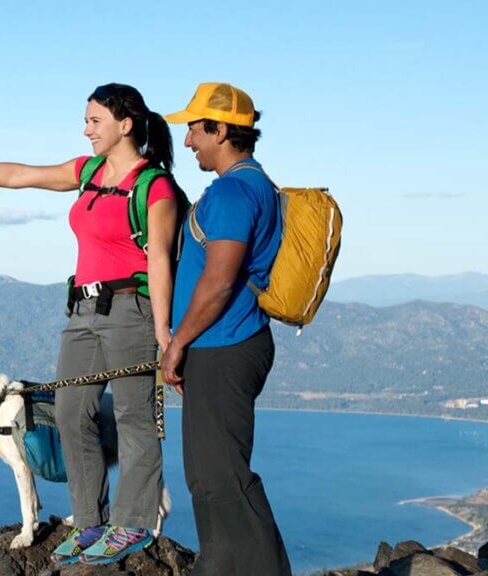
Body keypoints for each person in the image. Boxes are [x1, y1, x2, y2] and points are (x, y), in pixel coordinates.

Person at [0, 83, 181, 566]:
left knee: (134, 416)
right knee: (72, 411)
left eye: (94, 121)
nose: (86, 129)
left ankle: (133, 524)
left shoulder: (153, 185)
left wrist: (164, 333)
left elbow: (159, 259)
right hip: (81, 311)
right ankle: (89, 520)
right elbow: (19, 175)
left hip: (130, 309)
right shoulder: (89, 171)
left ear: (125, 124)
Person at [160, 82, 292, 576]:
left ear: (219, 130)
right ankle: (216, 566)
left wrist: (176, 344)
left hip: (225, 346)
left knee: (226, 476)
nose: (189, 140)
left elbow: (218, 284)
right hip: (222, 346)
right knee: (205, 475)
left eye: (195, 129)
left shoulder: (236, 192)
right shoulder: (249, 185)